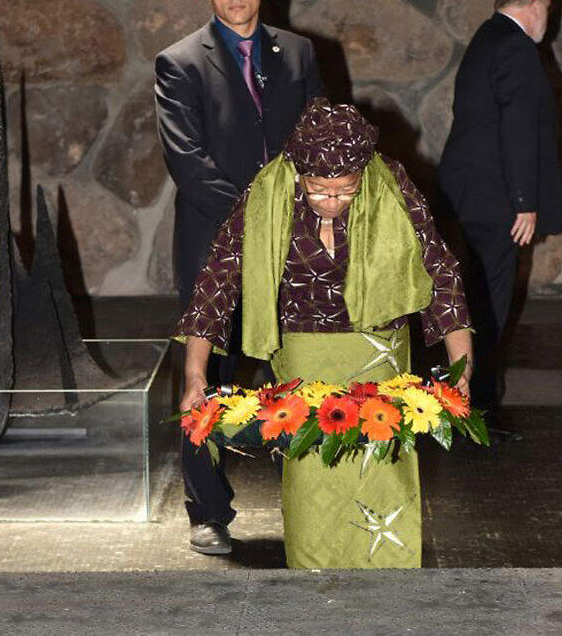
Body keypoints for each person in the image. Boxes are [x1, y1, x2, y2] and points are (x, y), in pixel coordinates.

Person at [174, 99, 473, 568]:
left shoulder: (391, 184)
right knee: (312, 469)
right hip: (304, 358)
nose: (332, 202)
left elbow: (441, 271)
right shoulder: (268, 192)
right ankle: (313, 581)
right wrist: (195, 374)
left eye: (346, 191)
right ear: (298, 174)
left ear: (363, 174)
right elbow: (218, 280)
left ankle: (389, 580)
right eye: (318, 191)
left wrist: (462, 369)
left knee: (380, 465)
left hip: (379, 356)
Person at [155, 0, 322, 555]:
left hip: (293, 241)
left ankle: (319, 492)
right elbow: (188, 161)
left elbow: (317, 138)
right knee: (207, 374)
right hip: (214, 240)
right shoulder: (178, 62)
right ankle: (207, 511)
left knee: (303, 365)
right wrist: (259, 215)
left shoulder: (299, 53)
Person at [437, 0, 562, 432]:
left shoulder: (487, 37)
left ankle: (462, 397)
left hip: (470, 192)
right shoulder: (516, 47)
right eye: (548, 8)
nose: (548, 18)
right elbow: (518, 128)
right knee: (490, 304)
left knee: (472, 297)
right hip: (497, 197)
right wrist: (524, 200)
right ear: (536, 3)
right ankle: (480, 409)